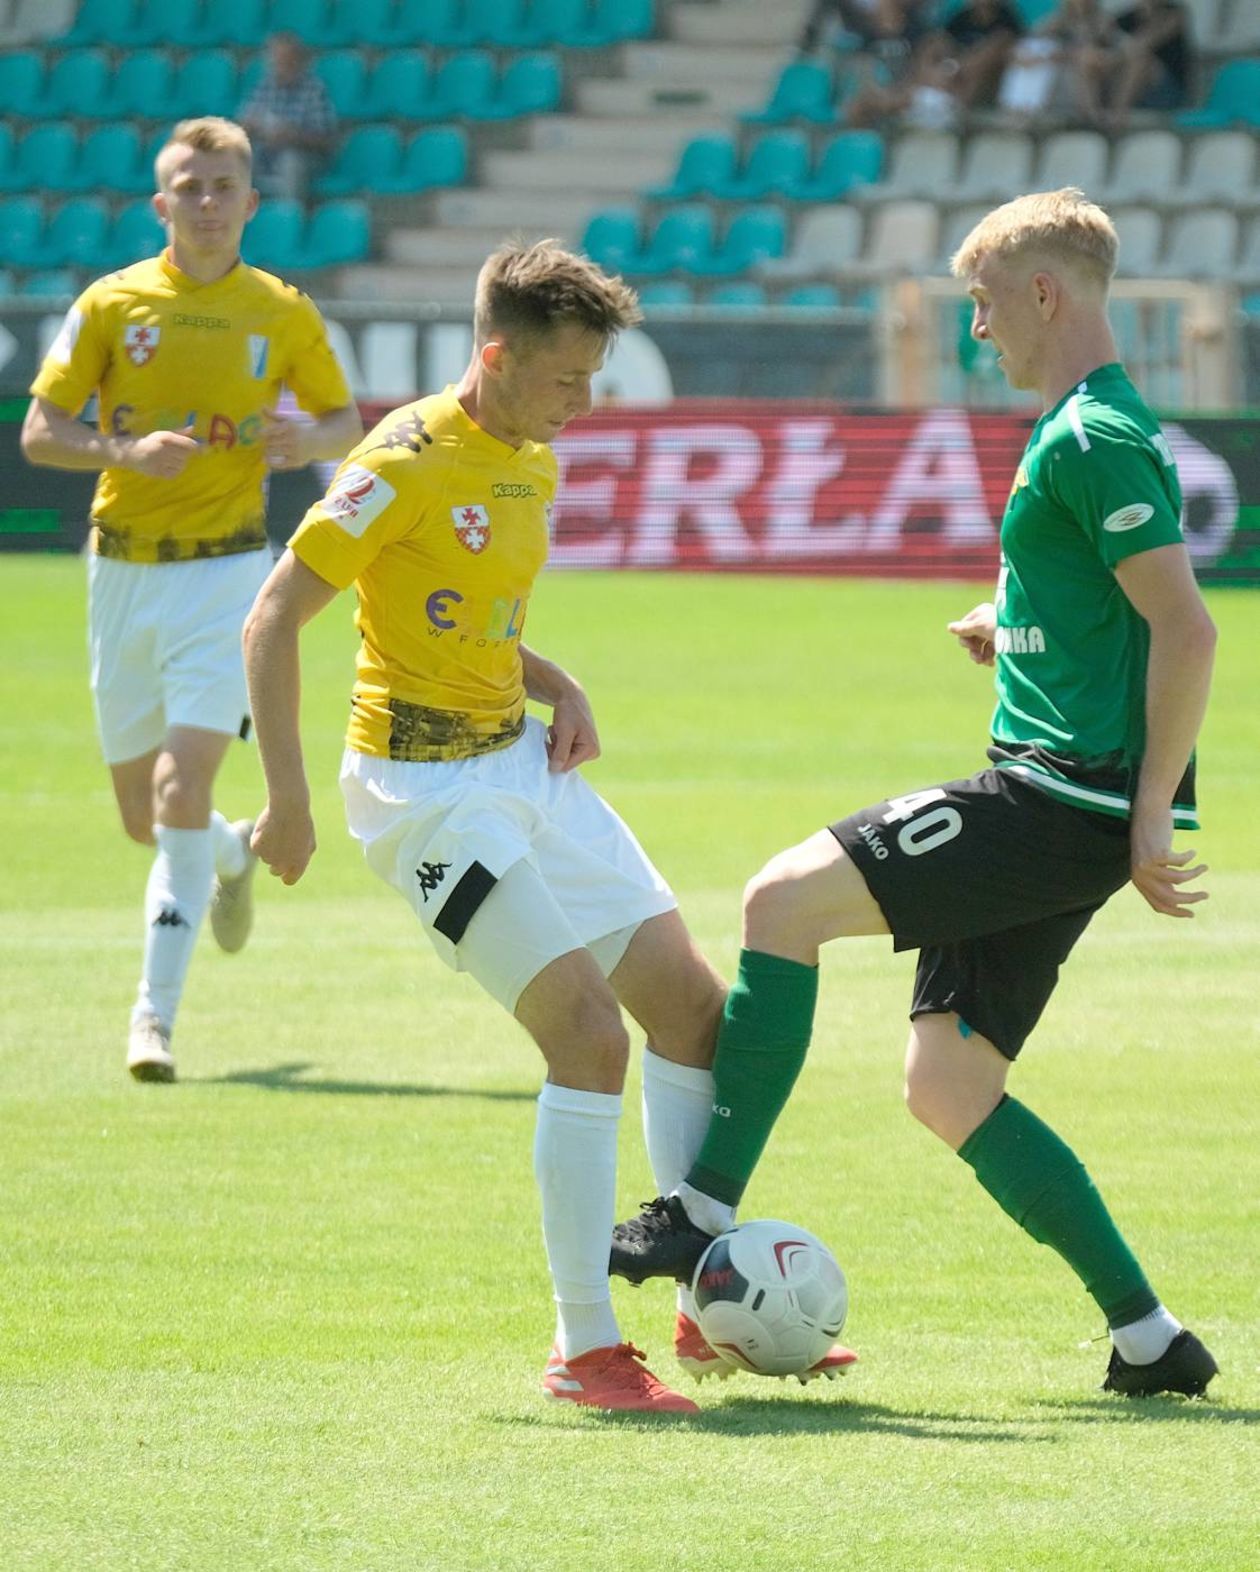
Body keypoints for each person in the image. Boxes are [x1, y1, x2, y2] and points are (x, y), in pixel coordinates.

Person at [610, 188, 1220, 1401]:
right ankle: (1151, 1341)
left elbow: (1187, 629)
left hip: (1061, 803)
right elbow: (1113, 611)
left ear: (1045, 294)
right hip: (1066, 796)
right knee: (949, 1087)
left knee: (781, 903)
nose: (979, 331)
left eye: (987, 306)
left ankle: (700, 1207)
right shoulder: (1077, 430)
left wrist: (1154, 810)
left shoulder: (1094, 436)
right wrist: (1020, 624)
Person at [242, 240, 779, 1413]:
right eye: (568, 381)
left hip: (521, 765)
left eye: (594, 380)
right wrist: (288, 799)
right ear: (495, 355)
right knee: (590, 1041)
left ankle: (707, 1305)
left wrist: (556, 683)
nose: (585, 406)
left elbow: (466, 615)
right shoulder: (402, 457)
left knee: (694, 1011)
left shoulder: (529, 456)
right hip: (422, 797)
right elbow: (274, 616)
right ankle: (585, 1348)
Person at [21, 117, 362, 1084]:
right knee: (148, 816)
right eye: (190, 187)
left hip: (226, 575)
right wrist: (121, 451)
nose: (207, 202)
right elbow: (42, 431)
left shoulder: (283, 313)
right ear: (160, 204)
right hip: (122, 571)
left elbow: (342, 420)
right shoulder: (112, 303)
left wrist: (309, 440)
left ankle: (151, 1024)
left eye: (225, 186)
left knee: (179, 788)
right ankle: (225, 856)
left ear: (253, 203)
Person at [238, 32, 337, 202]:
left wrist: (294, 136)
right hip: (266, 151)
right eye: (276, 59)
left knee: (290, 163)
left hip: (303, 156)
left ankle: (288, 220)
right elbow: (243, 124)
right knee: (240, 160)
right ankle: (242, 222)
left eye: (286, 59)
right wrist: (250, 127)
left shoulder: (314, 90)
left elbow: (327, 141)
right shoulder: (265, 86)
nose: (280, 64)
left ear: (298, 61)